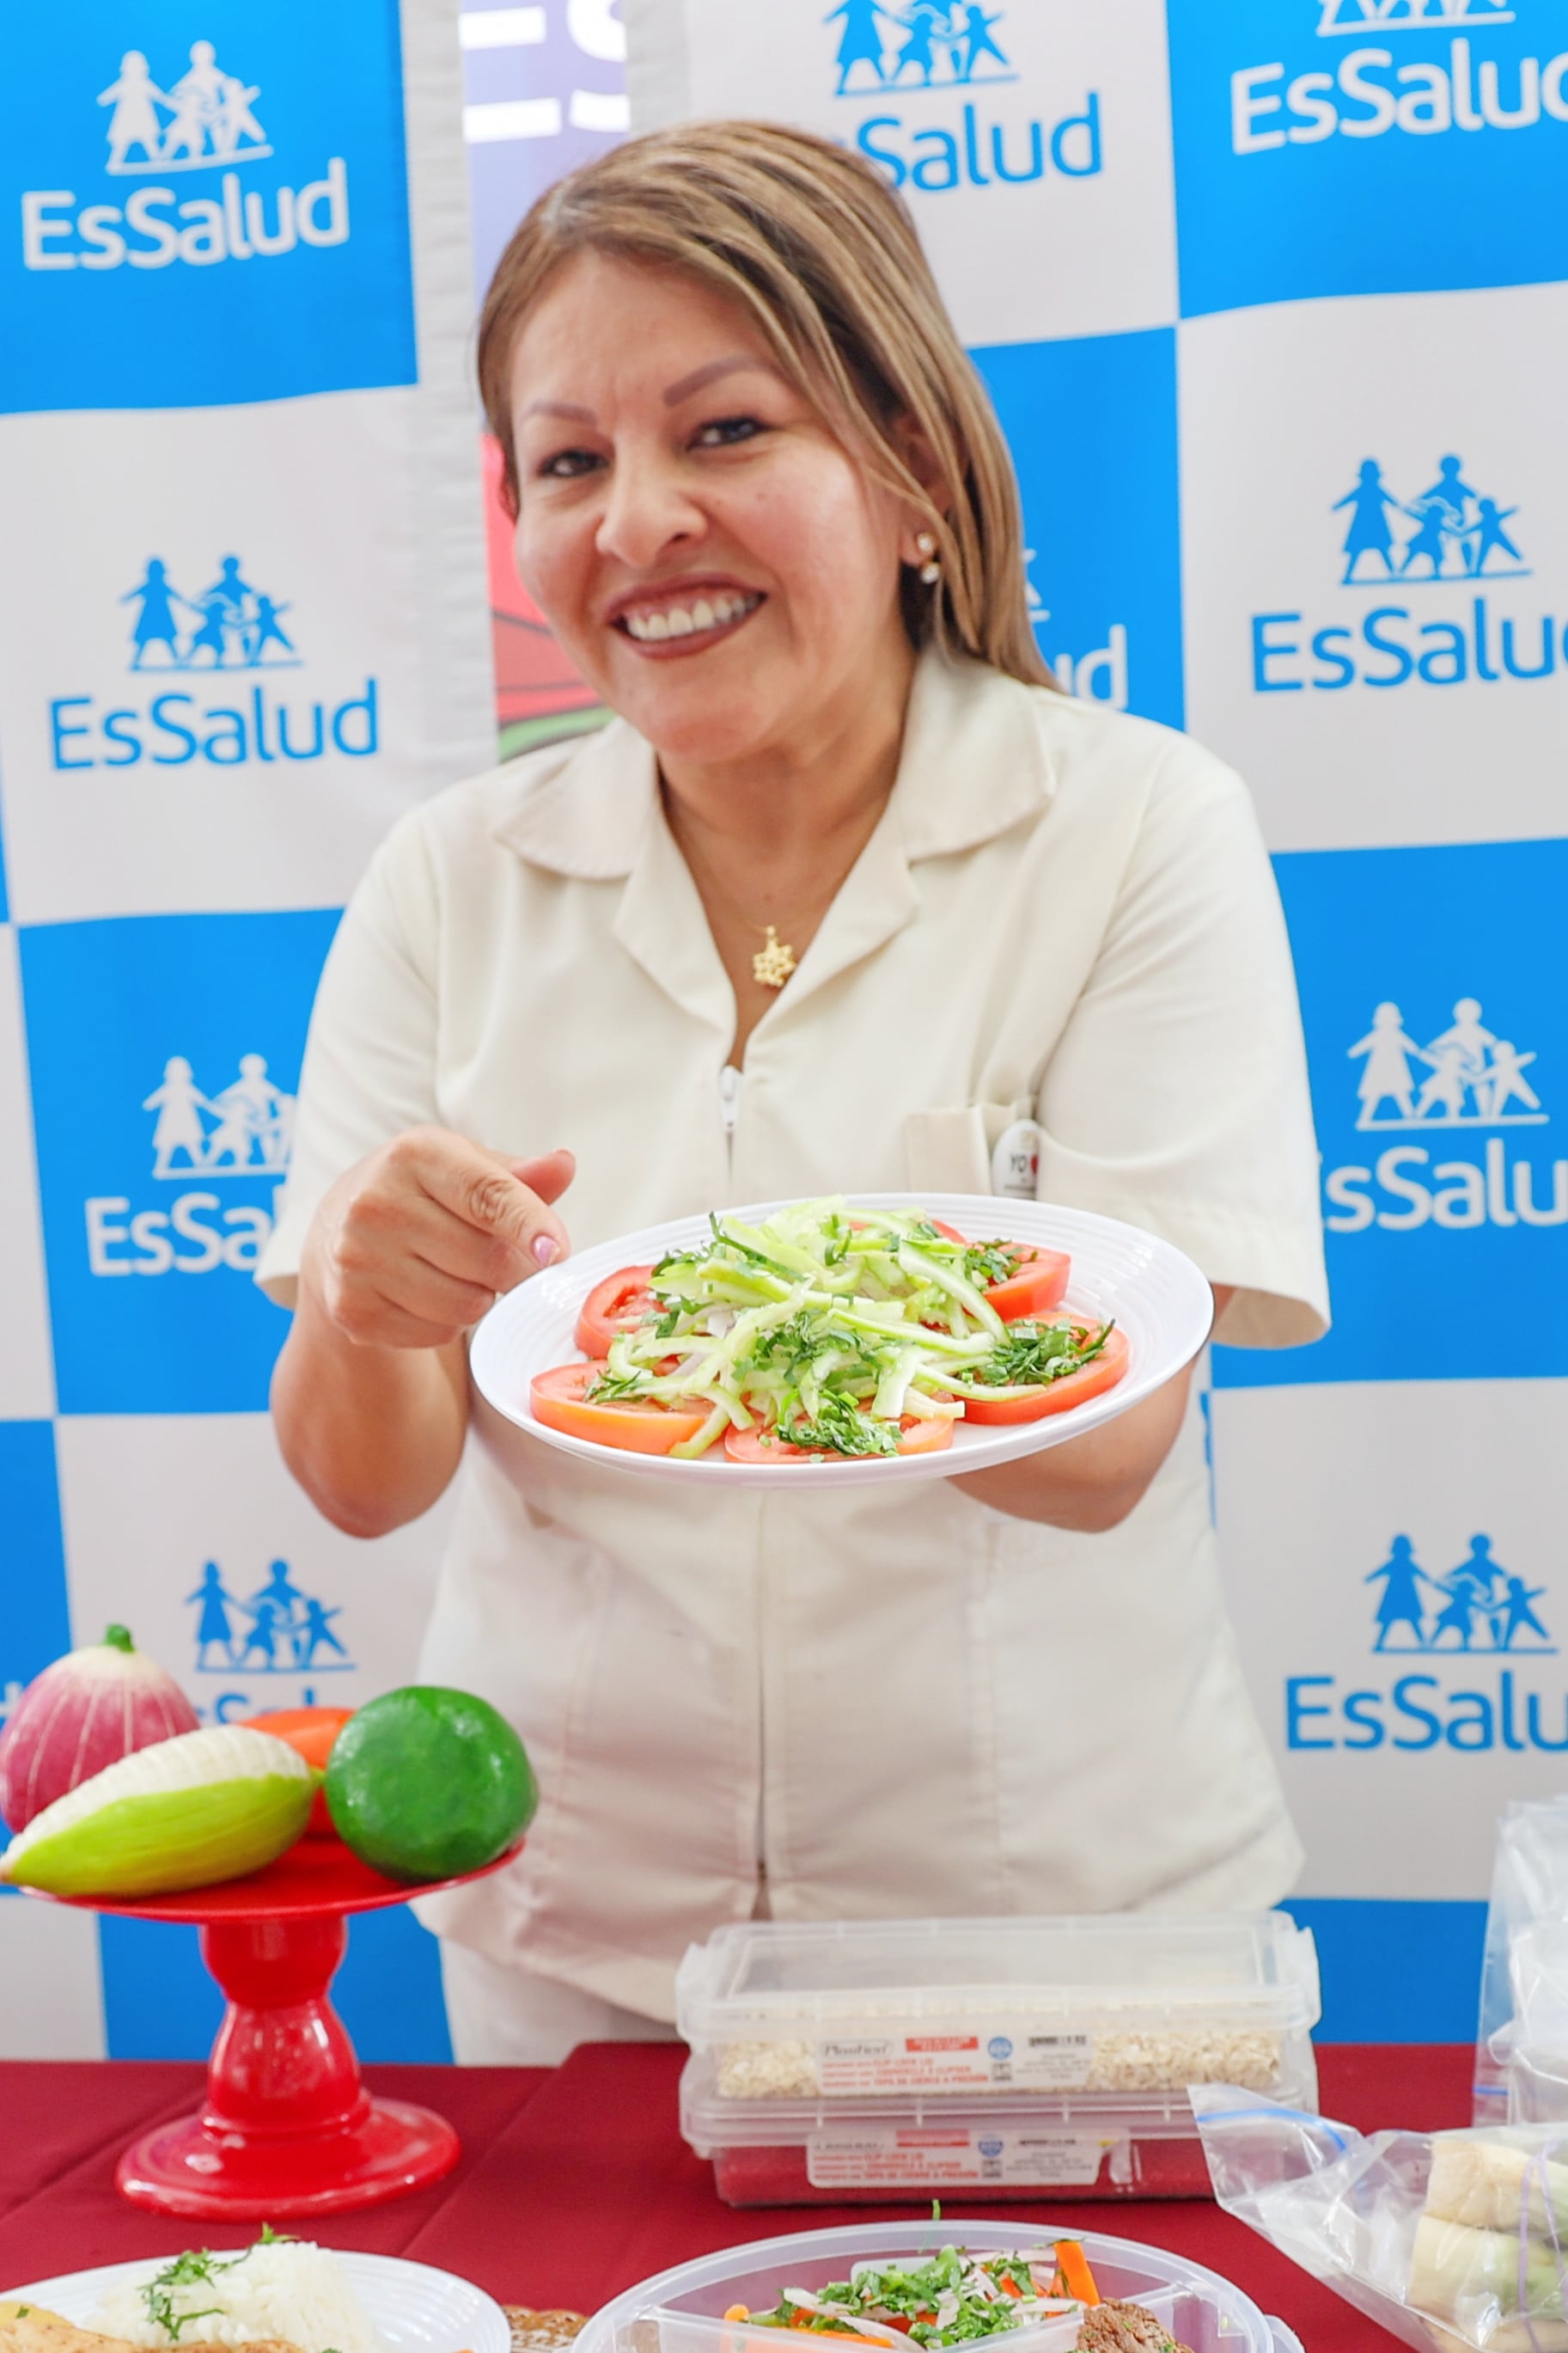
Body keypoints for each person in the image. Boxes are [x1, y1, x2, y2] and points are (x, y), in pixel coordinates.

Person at [260, 123, 1328, 2063]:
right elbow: (362, 1476)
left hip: (1052, 1942)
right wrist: (364, 1289)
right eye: (569, 463)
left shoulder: (1133, 827)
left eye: (725, 430)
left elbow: (1104, 1444)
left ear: (912, 474)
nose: (638, 520)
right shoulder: (450, 878)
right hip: (580, 1951)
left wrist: (729, 1339)